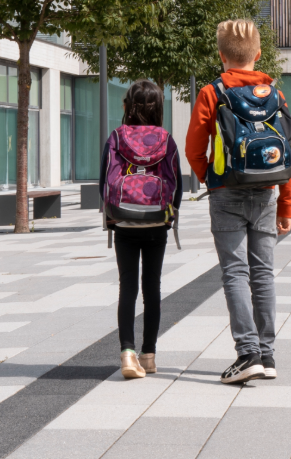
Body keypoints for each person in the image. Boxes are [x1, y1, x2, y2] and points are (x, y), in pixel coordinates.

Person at [186, 19, 291, 384]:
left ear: (221, 55)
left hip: (226, 193)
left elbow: (193, 148)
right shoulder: (275, 94)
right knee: (263, 274)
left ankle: (247, 354)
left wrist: (211, 178)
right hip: (265, 194)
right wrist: (287, 204)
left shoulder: (211, 92)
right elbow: (287, 152)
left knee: (235, 272)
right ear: (258, 54)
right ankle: (267, 355)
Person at [100, 79, 182, 380]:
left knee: (128, 287)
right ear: (159, 108)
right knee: (152, 288)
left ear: (127, 107)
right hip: (156, 222)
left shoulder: (117, 137)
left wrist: (111, 217)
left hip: (124, 220)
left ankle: (127, 353)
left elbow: (104, 180)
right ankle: (148, 355)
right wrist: (170, 218)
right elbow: (176, 182)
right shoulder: (166, 139)